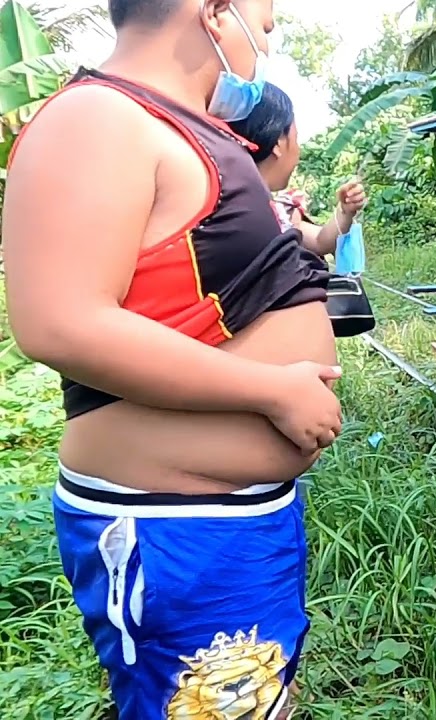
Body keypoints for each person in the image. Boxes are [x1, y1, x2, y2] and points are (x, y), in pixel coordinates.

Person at [1, 1, 340, 717]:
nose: (267, 44)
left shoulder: (181, 125)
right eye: (268, 25)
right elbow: (56, 322)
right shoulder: (98, 120)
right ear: (215, 11)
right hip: (169, 528)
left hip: (227, 518)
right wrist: (270, 391)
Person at [227, 82, 366, 255]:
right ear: (278, 143)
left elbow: (320, 242)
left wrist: (345, 211)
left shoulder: (263, 211)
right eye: (296, 138)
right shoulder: (260, 218)